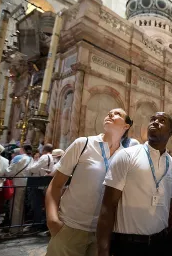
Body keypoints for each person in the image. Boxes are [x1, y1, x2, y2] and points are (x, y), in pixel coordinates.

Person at [45, 108, 137, 256]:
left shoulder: (126, 156)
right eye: (109, 113)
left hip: (102, 232)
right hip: (70, 226)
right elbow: (56, 184)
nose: (110, 114)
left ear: (126, 126)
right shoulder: (83, 144)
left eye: (117, 114)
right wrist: (53, 220)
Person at [97, 112, 172, 256]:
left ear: (171, 132)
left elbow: (171, 206)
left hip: (159, 244)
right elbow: (107, 206)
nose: (155, 122)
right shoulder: (127, 156)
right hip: (127, 244)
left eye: (161, 121)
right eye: (152, 119)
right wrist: (103, 250)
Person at [4, 144, 33, 234]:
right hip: (25, 183)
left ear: (22, 149)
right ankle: (19, 226)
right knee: (20, 205)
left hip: (16, 183)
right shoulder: (30, 158)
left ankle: (14, 229)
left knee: (15, 205)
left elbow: (9, 171)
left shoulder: (18, 158)